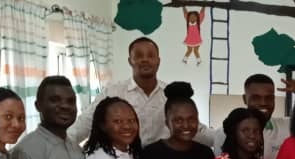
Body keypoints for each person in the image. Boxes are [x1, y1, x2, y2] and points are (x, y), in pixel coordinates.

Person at [69, 37, 217, 148]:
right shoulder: (113, 92)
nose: (145, 60)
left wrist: (226, 137)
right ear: (130, 61)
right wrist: (61, 144)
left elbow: (195, 129)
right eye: (139, 56)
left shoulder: (170, 95)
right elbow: (85, 123)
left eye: (150, 55)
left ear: (158, 61)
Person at [209, 74, 292, 159]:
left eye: (269, 98)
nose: (263, 103)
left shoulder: (288, 127)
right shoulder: (225, 133)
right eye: (256, 98)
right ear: (245, 99)